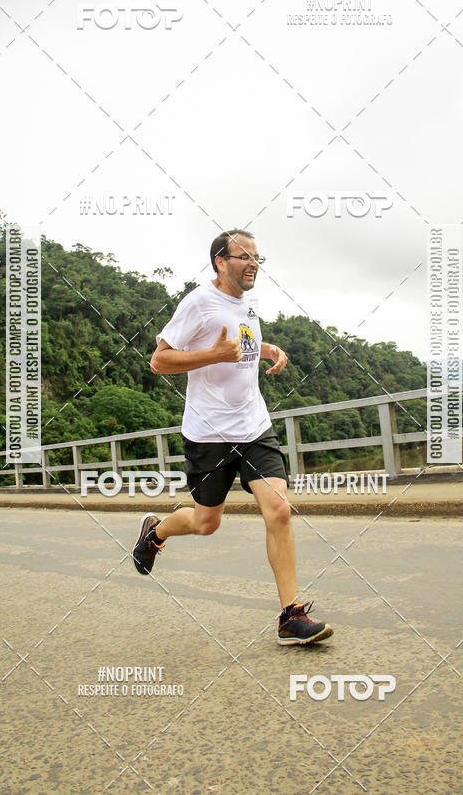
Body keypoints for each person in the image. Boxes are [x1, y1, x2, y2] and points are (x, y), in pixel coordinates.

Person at [132, 229, 333, 646]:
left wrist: (266, 349)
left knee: (278, 509)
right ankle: (155, 532)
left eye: (258, 257)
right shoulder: (197, 302)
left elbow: (241, 342)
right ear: (220, 261)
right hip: (209, 433)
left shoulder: (249, 302)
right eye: (244, 256)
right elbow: (159, 361)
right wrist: (213, 355)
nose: (253, 264)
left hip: (254, 426)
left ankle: (291, 616)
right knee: (206, 522)